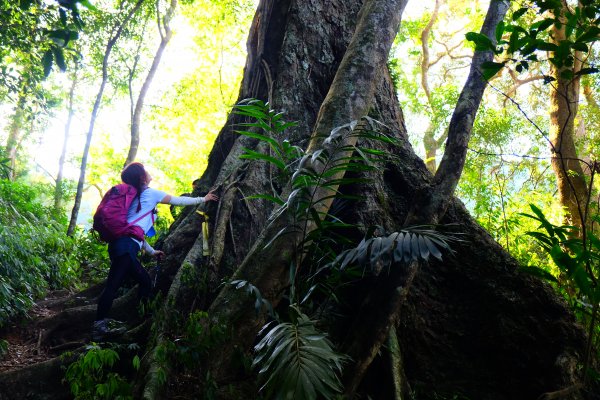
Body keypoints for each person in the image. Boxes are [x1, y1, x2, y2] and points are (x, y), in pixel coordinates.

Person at [92, 162, 218, 340]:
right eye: (146, 171)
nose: (149, 173)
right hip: (126, 248)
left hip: (120, 246)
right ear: (142, 177)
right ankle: (100, 328)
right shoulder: (150, 194)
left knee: (143, 282)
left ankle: (134, 320)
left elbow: (134, 230)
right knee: (114, 285)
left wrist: (151, 252)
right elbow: (178, 200)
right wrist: (202, 199)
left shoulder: (134, 198)